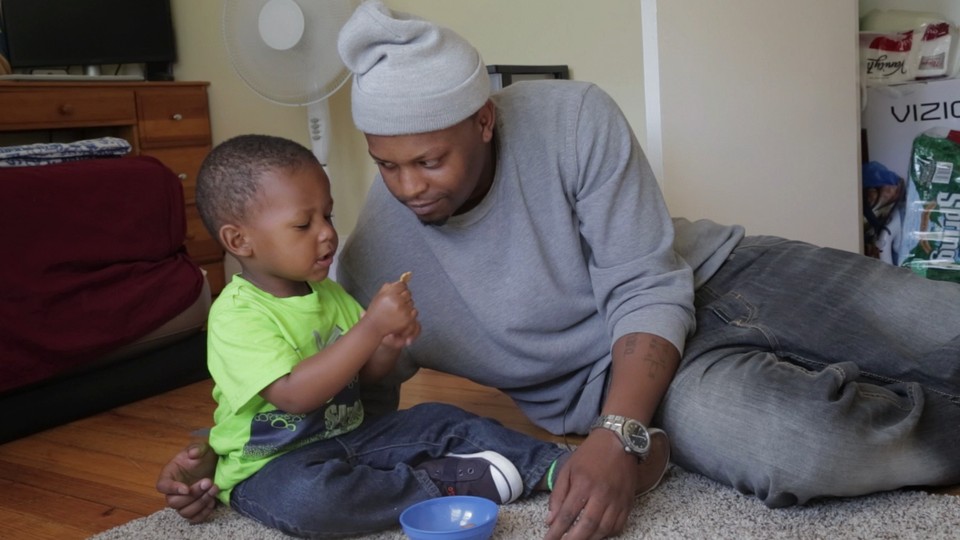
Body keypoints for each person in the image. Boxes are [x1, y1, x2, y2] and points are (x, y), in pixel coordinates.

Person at [160, 3, 960, 539]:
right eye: (386, 165)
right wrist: (225, 464)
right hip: (648, 383)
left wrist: (616, 438)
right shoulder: (372, 257)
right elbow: (344, 407)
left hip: (722, 274)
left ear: (483, 118)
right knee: (805, 448)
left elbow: (647, 282)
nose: (409, 189)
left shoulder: (570, 116)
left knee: (938, 328)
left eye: (430, 159)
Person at [176, 133, 578, 537]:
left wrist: (387, 344)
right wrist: (371, 327)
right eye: (303, 224)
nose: (327, 233)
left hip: (355, 436)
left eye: (328, 217)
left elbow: (364, 377)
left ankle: (556, 467)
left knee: (438, 418)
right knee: (308, 501)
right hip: (271, 466)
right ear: (238, 240)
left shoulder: (328, 294)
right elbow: (293, 396)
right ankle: (440, 483)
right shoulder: (237, 313)